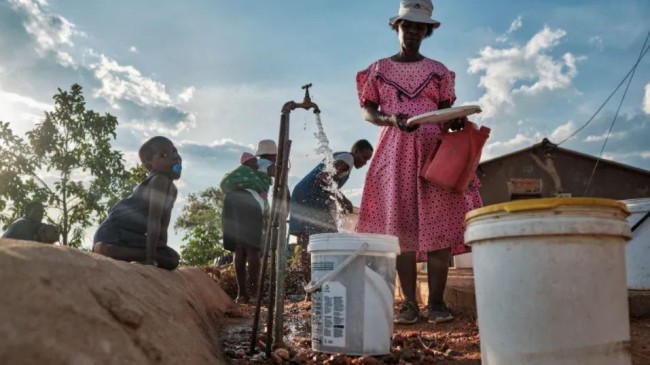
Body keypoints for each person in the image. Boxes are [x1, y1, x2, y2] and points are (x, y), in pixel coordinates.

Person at [355, 0, 483, 324]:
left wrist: (454, 123)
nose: (412, 31)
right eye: (407, 25)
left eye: (419, 27)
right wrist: (388, 118)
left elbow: (446, 112)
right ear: (396, 27)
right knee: (402, 229)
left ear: (427, 31)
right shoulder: (379, 69)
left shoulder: (438, 71)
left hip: (433, 154)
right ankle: (410, 304)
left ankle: (437, 304)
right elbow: (368, 111)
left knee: (438, 226)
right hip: (394, 153)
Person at [289, 139, 374, 281]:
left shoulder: (342, 158)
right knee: (327, 239)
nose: (364, 163)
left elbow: (326, 184)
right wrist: (342, 198)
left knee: (309, 242)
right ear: (356, 151)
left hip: (302, 194)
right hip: (310, 197)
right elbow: (323, 178)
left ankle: (310, 286)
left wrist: (336, 203)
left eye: (367, 160)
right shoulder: (348, 159)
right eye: (364, 158)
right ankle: (320, 284)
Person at [93, 136, 182, 270]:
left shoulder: (173, 191)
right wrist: (151, 259)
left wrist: (160, 249)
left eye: (174, 151)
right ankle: (108, 249)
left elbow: (163, 227)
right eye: (165, 155)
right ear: (150, 166)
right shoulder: (159, 180)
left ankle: (117, 251)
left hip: (128, 236)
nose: (175, 157)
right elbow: (154, 220)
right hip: (113, 232)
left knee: (172, 259)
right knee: (170, 259)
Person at [220, 152, 274, 303]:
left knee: (240, 247)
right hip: (249, 203)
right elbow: (264, 204)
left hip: (231, 202)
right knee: (252, 249)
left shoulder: (242, 174)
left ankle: (241, 294)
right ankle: (254, 294)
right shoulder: (264, 164)